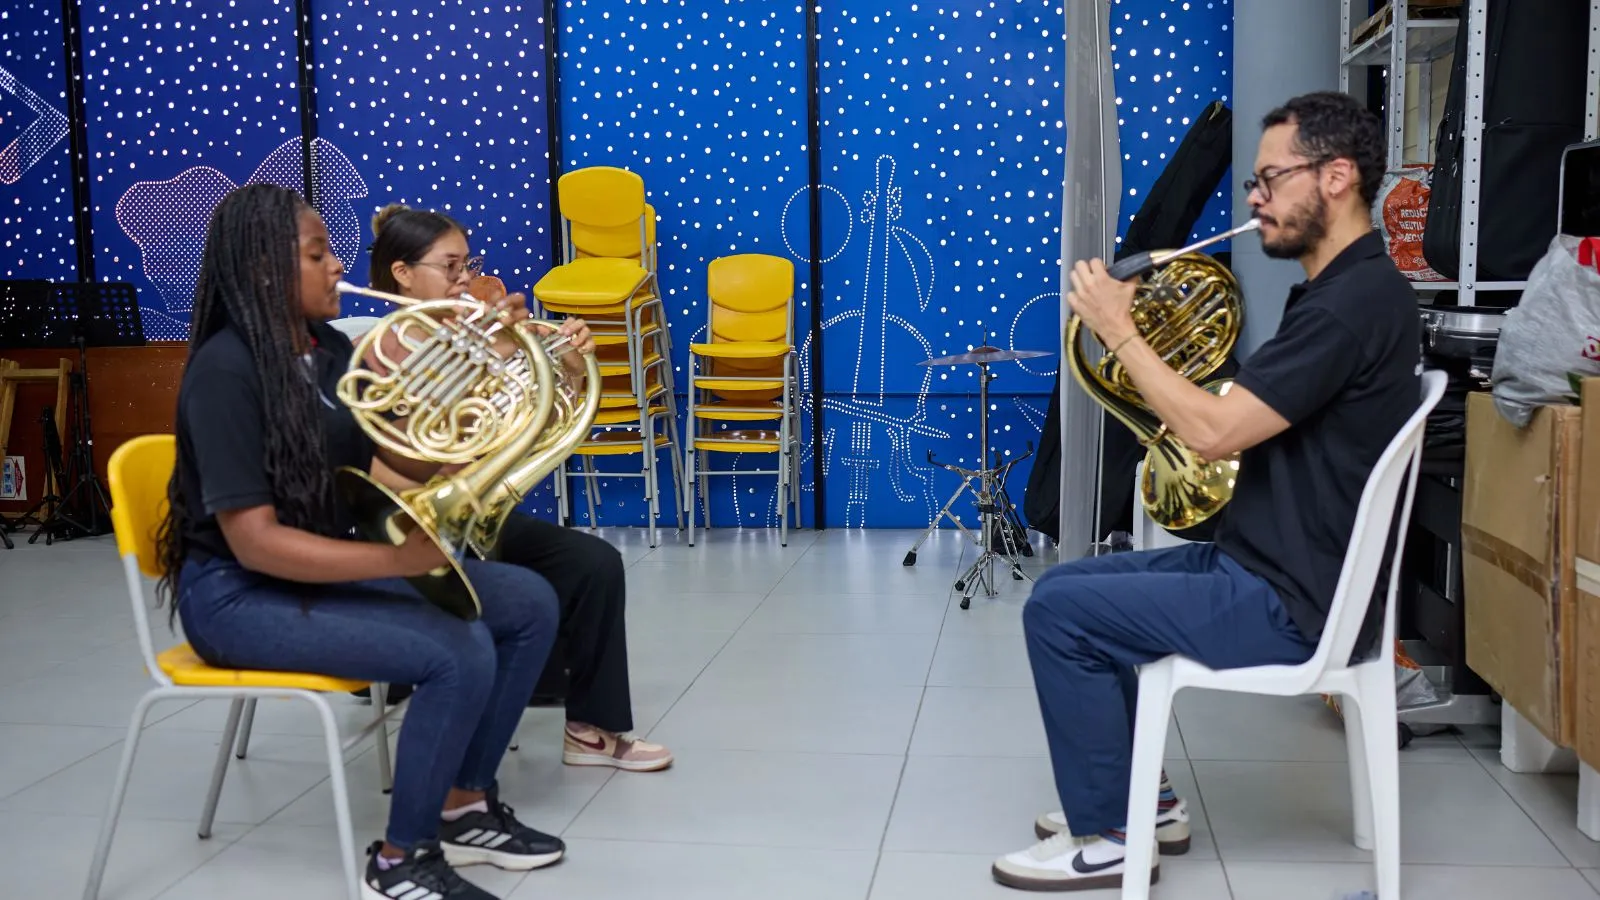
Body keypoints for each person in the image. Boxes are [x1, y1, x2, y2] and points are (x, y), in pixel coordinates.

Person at [992, 91, 1421, 891]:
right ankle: (1145, 803)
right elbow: (1239, 414)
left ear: (1335, 177)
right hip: (1268, 565)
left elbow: (1213, 433)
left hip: (1287, 601)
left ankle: (1115, 836)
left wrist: (1120, 331)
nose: (1254, 198)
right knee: (1075, 585)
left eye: (1269, 180)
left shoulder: (1351, 307)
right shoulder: (1344, 294)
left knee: (1059, 611)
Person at [156, 183, 570, 900]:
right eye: (317, 254)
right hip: (236, 595)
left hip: (308, 571)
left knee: (528, 602)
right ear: (264, 270)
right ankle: (399, 860)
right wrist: (398, 561)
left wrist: (492, 355)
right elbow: (254, 545)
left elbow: (399, 457)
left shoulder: (323, 350)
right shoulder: (224, 373)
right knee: (454, 646)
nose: (337, 263)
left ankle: (464, 801)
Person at [360, 202, 673, 772]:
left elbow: (540, 418)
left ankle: (590, 730)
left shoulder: (466, 333)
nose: (465, 279)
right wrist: (491, 360)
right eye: (450, 267)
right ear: (403, 273)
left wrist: (567, 364)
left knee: (593, 562)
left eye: (466, 264)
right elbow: (400, 456)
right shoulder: (376, 344)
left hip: (471, 509)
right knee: (499, 563)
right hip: (399, 522)